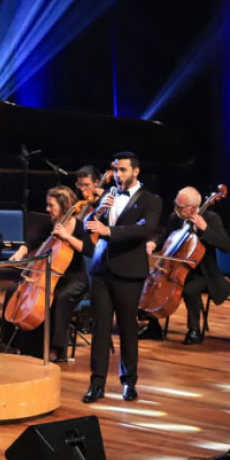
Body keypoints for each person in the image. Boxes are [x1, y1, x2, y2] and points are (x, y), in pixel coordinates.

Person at [83, 151, 162, 403]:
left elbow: (144, 229)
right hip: (101, 269)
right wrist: (96, 213)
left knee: (128, 328)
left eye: (123, 170)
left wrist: (108, 231)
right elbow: (88, 224)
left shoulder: (151, 199)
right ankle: (96, 384)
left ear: (135, 171)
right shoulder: (108, 194)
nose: (117, 175)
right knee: (100, 328)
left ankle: (129, 382)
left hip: (128, 271)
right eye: (116, 169)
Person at [6, 186, 92, 362]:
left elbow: (89, 250)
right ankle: (17, 342)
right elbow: (33, 241)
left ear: (64, 205)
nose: (47, 209)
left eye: (51, 205)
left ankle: (55, 349)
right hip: (50, 276)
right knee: (13, 291)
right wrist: (21, 251)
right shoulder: (50, 225)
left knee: (59, 299)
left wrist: (67, 237)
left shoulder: (79, 227)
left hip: (74, 279)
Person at [142, 187, 230, 345]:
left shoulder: (211, 218)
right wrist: (153, 243)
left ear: (193, 208)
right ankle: (153, 327)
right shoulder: (175, 218)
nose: (175, 209)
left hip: (203, 272)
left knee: (190, 290)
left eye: (179, 207)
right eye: (175, 205)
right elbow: (164, 237)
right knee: (150, 281)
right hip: (175, 268)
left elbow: (226, 245)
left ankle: (194, 330)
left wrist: (205, 229)